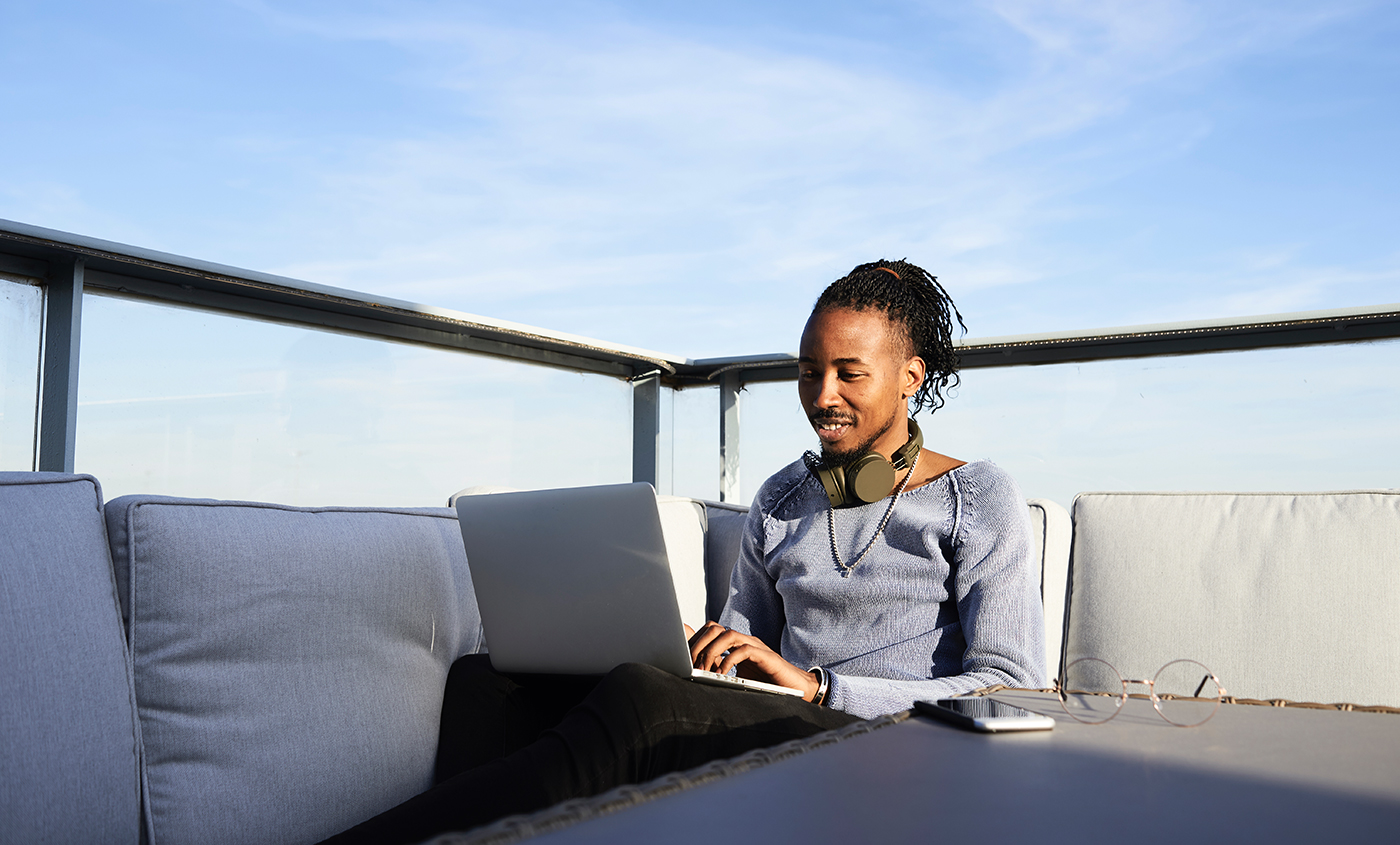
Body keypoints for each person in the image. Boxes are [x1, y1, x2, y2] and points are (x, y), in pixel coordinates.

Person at [323, 259, 1044, 844]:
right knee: (491, 680)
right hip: (776, 725)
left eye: (849, 372)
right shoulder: (784, 497)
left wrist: (820, 687)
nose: (821, 394)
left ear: (910, 378)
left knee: (646, 704)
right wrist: (705, 651)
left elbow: (1012, 688)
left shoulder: (975, 497)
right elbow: (743, 643)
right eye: (807, 370)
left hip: (883, 744)